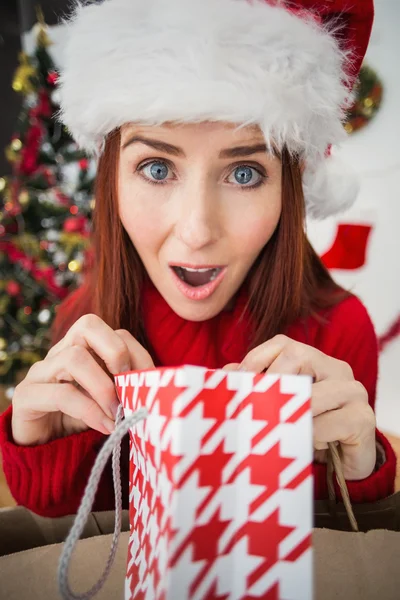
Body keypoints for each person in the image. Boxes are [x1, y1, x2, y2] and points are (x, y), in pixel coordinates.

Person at [0, 0, 396, 519]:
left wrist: (357, 473)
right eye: (158, 168)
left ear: (290, 190)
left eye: (245, 173)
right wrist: (44, 451)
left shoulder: (337, 333)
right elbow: (92, 556)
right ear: (112, 180)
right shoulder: (87, 322)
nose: (196, 232)